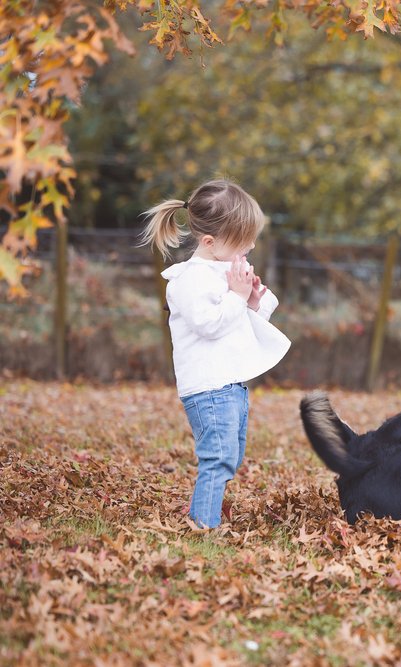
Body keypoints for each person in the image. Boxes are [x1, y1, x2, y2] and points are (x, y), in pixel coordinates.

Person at [140, 179, 290, 529]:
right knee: (218, 458)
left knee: (231, 456)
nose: (251, 245)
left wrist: (251, 300)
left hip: (230, 384)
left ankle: (205, 512)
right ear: (210, 242)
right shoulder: (191, 279)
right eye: (243, 241)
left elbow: (238, 324)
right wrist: (236, 296)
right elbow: (210, 324)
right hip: (208, 388)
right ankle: (203, 525)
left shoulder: (222, 271)